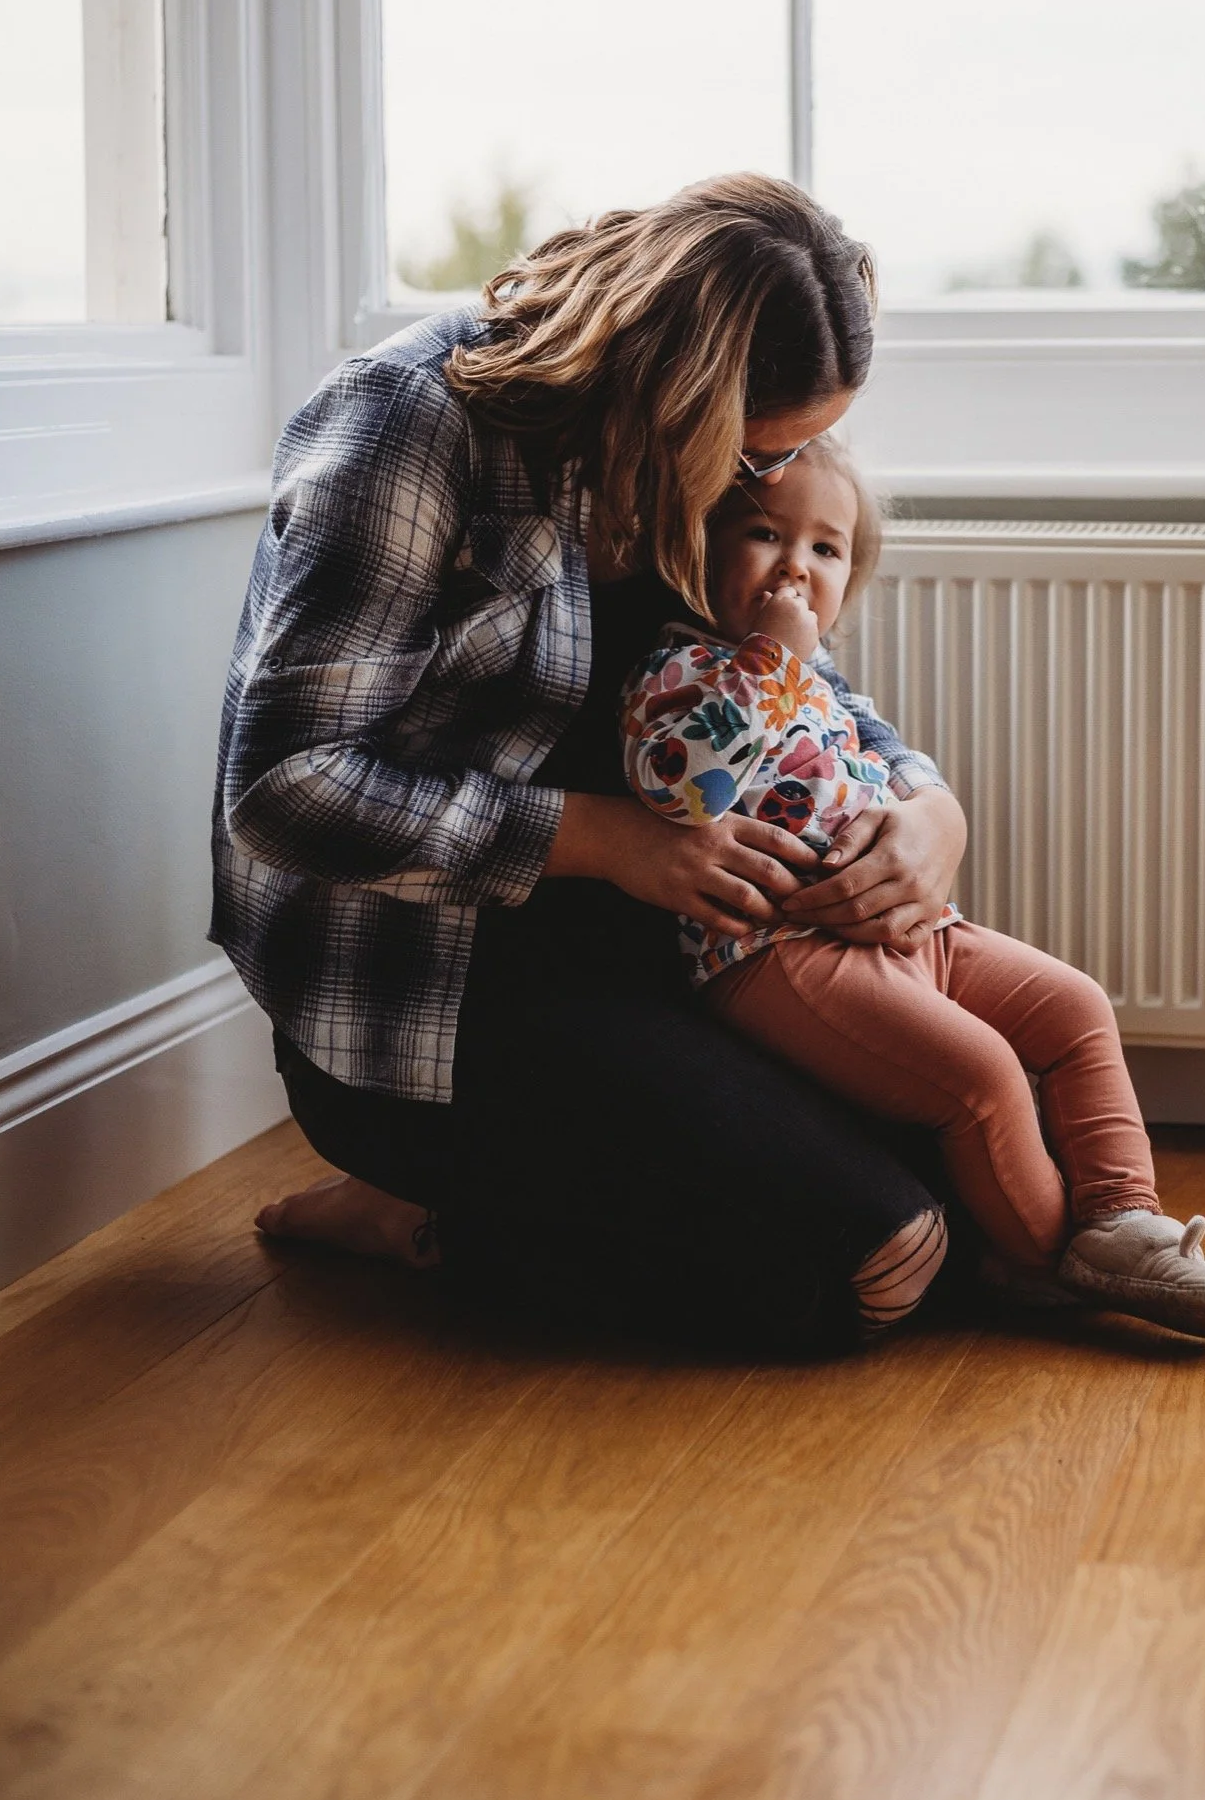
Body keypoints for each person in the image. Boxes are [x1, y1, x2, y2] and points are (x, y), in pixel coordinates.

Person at [213, 175, 968, 1355]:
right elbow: (282, 787)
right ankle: (420, 1205)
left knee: (964, 1184)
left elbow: (778, 677)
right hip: (438, 984)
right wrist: (613, 841)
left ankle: (515, 1188)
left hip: (659, 946)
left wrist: (926, 800)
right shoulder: (406, 425)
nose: (779, 480)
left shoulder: (718, 452)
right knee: (859, 1270)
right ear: (681, 393)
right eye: (762, 453)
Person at [620, 438, 1205, 1339]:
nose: (796, 566)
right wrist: (772, 666)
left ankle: (1122, 1217)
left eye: (826, 550)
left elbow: (889, 768)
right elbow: (682, 788)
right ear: (698, 547)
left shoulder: (820, 680)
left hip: (914, 928)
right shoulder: (677, 671)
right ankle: (1049, 1267)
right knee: (980, 1078)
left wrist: (922, 815)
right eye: (765, 534)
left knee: (1075, 1007)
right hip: (775, 950)